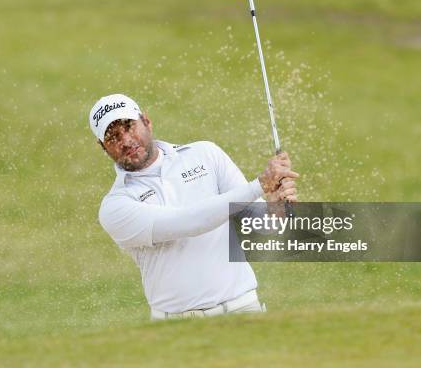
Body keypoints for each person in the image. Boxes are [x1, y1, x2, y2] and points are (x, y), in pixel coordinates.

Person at [89, 93, 299, 320]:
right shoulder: (115, 206)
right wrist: (259, 185)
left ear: (147, 121)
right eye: (113, 137)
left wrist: (276, 208)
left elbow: (259, 226)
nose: (126, 140)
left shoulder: (205, 154)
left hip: (243, 309)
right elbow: (187, 223)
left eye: (129, 127)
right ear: (103, 146)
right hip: (175, 324)